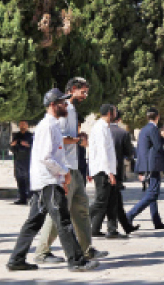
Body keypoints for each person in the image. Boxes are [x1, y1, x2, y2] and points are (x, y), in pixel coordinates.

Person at [5, 88, 99, 272]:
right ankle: (76, 261)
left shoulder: (53, 125)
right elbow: (46, 157)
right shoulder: (48, 126)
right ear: (53, 105)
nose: (65, 105)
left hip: (47, 181)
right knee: (63, 221)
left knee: (33, 222)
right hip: (48, 182)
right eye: (62, 103)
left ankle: (16, 259)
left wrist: (62, 177)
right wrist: (65, 172)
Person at [35, 77, 106, 264]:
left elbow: (69, 136)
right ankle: (42, 251)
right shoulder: (63, 109)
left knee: (81, 209)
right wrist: (77, 140)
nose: (85, 96)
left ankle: (86, 249)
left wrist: (78, 136)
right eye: (83, 92)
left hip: (74, 168)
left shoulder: (72, 110)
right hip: (63, 168)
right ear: (73, 89)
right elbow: (59, 137)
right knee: (59, 212)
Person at [126, 107, 164, 229]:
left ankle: (157, 221)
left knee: (152, 193)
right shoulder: (153, 129)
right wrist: (162, 136)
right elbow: (158, 145)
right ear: (157, 117)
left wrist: (140, 169)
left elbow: (141, 150)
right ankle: (130, 215)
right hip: (153, 166)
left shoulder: (144, 129)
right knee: (152, 193)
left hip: (147, 165)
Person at [106, 109, 138, 237]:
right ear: (119, 119)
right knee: (110, 200)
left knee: (116, 199)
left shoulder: (103, 131)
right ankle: (111, 229)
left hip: (103, 169)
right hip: (116, 170)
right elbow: (129, 152)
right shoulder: (123, 133)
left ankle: (126, 226)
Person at [89, 105, 118, 237]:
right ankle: (79, 220)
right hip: (102, 170)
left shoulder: (105, 127)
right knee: (100, 201)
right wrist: (109, 173)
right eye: (115, 112)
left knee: (111, 201)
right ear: (109, 113)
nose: (116, 114)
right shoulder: (100, 128)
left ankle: (107, 230)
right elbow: (102, 152)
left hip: (106, 169)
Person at [10, 120, 33, 205]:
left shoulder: (31, 136)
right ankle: (22, 198)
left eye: (24, 124)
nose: (22, 126)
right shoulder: (16, 136)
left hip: (28, 161)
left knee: (28, 180)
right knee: (19, 179)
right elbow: (12, 148)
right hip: (18, 161)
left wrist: (28, 145)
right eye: (20, 125)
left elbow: (34, 148)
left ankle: (31, 198)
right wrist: (12, 145)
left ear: (27, 125)